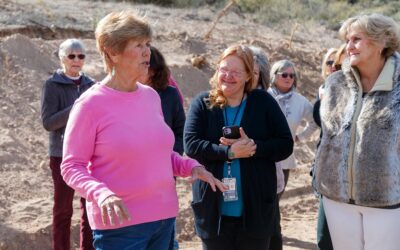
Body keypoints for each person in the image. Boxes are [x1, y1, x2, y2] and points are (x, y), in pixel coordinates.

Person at [60, 11, 226, 250]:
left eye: (148, 44)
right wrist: (101, 193)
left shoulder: (150, 96)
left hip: (164, 218)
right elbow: (71, 166)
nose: (147, 51)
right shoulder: (89, 105)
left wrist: (190, 166)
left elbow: (157, 153)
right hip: (121, 227)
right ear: (112, 51)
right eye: (138, 45)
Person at [184, 44, 293, 250]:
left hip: (255, 212)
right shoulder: (203, 102)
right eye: (224, 69)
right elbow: (191, 144)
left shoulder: (263, 102)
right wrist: (229, 152)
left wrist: (254, 147)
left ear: (249, 76)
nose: (228, 76)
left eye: (235, 72)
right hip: (213, 211)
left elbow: (285, 144)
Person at [314, 13, 400, 250]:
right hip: (336, 196)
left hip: (387, 198)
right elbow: (327, 137)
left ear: (381, 41)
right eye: (347, 39)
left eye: (356, 39)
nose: (348, 46)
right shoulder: (335, 84)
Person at [41, 39, 94, 250]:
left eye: (81, 56)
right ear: (62, 58)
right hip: (61, 156)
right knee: (63, 210)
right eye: (71, 56)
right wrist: (77, 107)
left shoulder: (92, 85)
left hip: (89, 156)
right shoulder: (51, 85)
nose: (76, 60)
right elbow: (48, 123)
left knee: (89, 208)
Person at [139, 45, 185, 249]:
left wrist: (172, 157)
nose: (148, 74)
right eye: (146, 68)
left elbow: (180, 130)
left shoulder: (170, 94)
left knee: (166, 224)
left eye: (152, 70)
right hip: (135, 171)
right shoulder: (126, 93)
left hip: (166, 168)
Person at [267, 60, 319, 194]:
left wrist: (300, 137)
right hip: (263, 158)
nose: (289, 78)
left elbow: (315, 120)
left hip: (285, 159)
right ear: (274, 75)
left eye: (292, 75)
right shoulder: (264, 96)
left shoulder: (300, 101)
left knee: (276, 203)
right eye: (284, 75)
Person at [249, 46, 283, 250]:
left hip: (264, 181)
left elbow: (283, 143)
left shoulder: (268, 101)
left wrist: (254, 147)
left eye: (250, 70)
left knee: (269, 234)